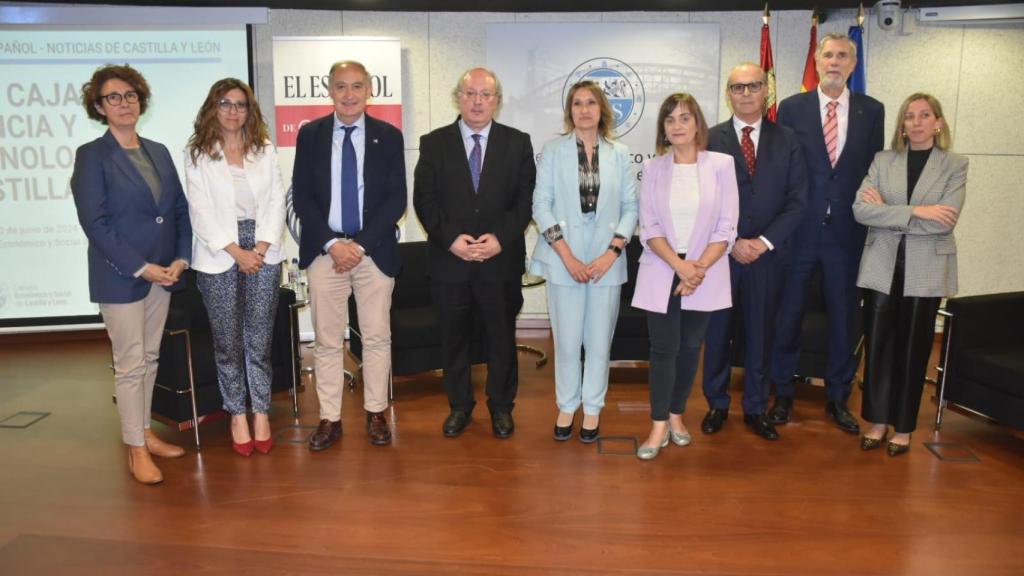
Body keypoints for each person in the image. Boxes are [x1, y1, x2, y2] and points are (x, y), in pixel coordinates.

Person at [71, 64, 192, 484]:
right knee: (130, 365)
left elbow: (177, 209)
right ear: (99, 107)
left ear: (141, 100)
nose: (124, 103)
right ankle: (135, 449)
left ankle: (144, 433)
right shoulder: (92, 156)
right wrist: (142, 267)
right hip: (122, 275)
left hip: (164, 273)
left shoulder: (158, 150)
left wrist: (180, 258)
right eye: (113, 97)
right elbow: (95, 223)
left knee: (151, 357)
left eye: (130, 95)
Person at [768, 33, 885, 434]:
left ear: (854, 64)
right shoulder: (792, 108)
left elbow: (875, 171)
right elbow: (781, 168)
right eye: (829, 55)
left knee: (844, 319)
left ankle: (838, 397)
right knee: (788, 315)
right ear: (817, 61)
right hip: (799, 231)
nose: (835, 62)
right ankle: (782, 393)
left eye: (843, 56)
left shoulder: (873, 110)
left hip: (847, 235)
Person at [413, 67, 536, 439]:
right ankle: (459, 407)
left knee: (501, 338)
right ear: (458, 98)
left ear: (497, 100)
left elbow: (525, 200)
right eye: (470, 94)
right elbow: (425, 200)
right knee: (454, 339)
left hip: (500, 261)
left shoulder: (518, 142)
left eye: (485, 95)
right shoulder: (434, 143)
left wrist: (500, 238)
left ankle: (501, 407)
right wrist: (452, 239)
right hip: (451, 262)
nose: (478, 101)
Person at [293, 60, 407, 450]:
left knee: (376, 337)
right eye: (341, 86)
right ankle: (330, 417)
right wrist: (332, 245)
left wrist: (358, 246)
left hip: (372, 251)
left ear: (369, 90)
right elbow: (302, 197)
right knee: (327, 341)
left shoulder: (389, 137)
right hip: (326, 252)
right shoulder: (310, 135)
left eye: (357, 86)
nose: (349, 94)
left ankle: (376, 412)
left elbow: (397, 199)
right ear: (329, 90)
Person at [853, 93, 966, 456]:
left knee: (914, 350)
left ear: (938, 123)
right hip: (882, 266)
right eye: (909, 116)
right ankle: (877, 421)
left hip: (926, 269)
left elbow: (945, 220)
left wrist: (890, 211)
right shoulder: (883, 161)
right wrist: (919, 211)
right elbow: (860, 211)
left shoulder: (955, 165)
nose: (916, 122)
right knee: (880, 347)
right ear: (901, 124)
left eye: (924, 115)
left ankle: (902, 428)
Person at [700, 63, 807, 441]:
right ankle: (716, 403)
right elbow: (702, 201)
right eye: (738, 87)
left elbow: (798, 200)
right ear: (728, 93)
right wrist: (731, 243)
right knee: (717, 335)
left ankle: (756, 407)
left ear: (766, 92)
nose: (746, 93)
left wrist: (761, 243)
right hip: (720, 257)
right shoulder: (710, 138)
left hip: (768, 257)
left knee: (762, 333)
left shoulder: (789, 140)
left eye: (753, 86)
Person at [631, 93, 739, 460]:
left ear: (698, 125)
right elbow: (649, 226)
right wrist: (680, 267)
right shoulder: (654, 168)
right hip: (662, 269)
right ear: (663, 128)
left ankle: (677, 415)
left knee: (691, 348)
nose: (677, 125)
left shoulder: (721, 165)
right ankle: (658, 423)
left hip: (705, 272)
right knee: (663, 349)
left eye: (684, 118)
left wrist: (697, 270)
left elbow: (727, 227)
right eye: (670, 119)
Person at [529, 80, 638, 442]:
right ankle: (566, 404)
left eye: (591, 102)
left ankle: (592, 409)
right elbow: (540, 206)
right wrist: (567, 255)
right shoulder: (553, 150)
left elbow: (630, 207)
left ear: (602, 109)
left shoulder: (620, 153)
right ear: (569, 111)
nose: (585, 109)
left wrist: (612, 253)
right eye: (577, 103)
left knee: (598, 341)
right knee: (567, 339)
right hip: (564, 258)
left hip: (607, 259)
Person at [183, 78, 286, 457]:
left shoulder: (265, 150)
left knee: (259, 340)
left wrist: (258, 248)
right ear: (213, 107)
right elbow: (200, 211)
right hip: (218, 254)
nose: (232, 110)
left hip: (263, 248)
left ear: (249, 110)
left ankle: (260, 411)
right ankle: (236, 414)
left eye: (240, 104)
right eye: (225, 103)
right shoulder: (197, 153)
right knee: (228, 343)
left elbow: (277, 200)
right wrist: (235, 252)